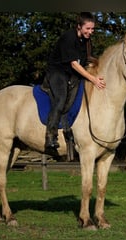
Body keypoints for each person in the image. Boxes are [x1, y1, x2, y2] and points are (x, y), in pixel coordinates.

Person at [42, 12, 106, 149]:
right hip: (57, 72)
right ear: (79, 26)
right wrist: (93, 79)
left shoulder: (86, 41)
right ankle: (50, 135)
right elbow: (74, 64)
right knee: (61, 98)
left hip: (72, 74)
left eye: (92, 29)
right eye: (87, 29)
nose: (90, 32)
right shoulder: (68, 38)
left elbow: (85, 62)